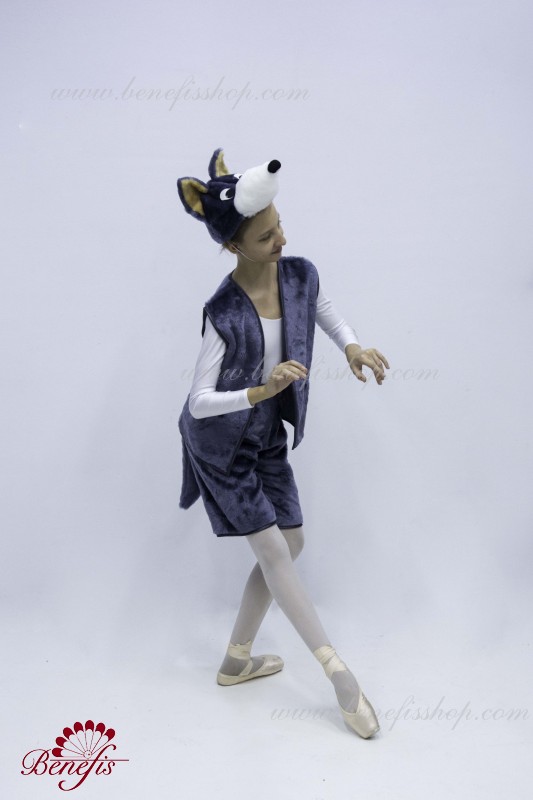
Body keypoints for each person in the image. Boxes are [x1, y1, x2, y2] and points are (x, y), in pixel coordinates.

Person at [176, 147, 389, 739]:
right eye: (267, 236)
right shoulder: (222, 311)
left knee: (289, 542)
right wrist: (259, 390)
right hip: (220, 442)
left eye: (280, 226)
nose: (281, 240)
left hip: (266, 433)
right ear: (234, 245)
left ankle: (236, 660)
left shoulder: (298, 273)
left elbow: (321, 307)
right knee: (273, 551)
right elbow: (198, 401)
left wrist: (351, 346)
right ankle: (339, 675)